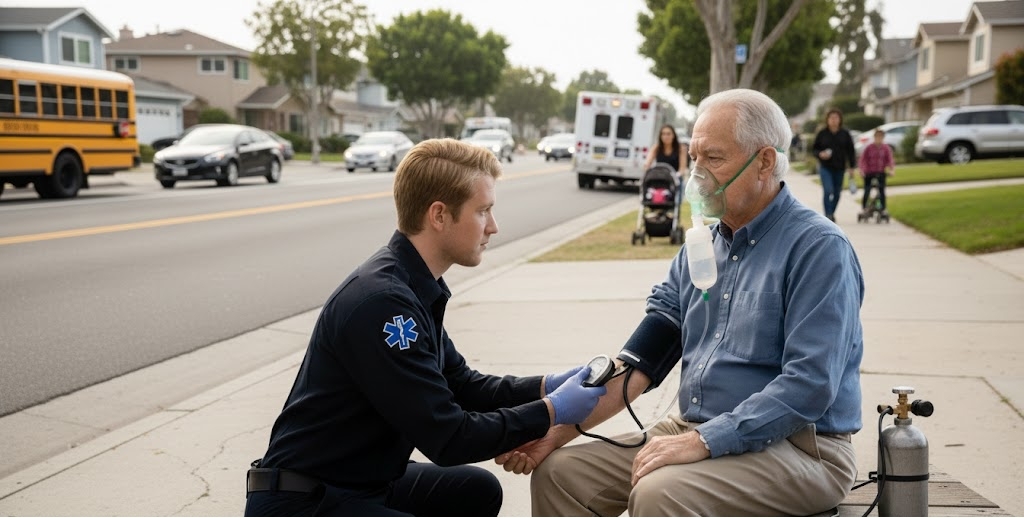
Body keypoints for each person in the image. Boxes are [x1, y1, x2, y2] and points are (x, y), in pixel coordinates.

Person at [497, 89, 865, 516]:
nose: (697, 175)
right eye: (693, 159)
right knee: (561, 473)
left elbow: (809, 387)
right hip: (695, 427)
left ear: (765, 161)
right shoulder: (700, 249)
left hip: (801, 448)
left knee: (660, 492)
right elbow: (640, 363)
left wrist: (704, 441)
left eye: (714, 158)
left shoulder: (818, 250)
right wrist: (557, 432)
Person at [244, 139, 606, 516]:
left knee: (475, 489)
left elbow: (462, 385)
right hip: (307, 501)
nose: (494, 227)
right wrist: (552, 410)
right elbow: (449, 438)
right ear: (439, 215)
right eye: (483, 211)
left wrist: (547, 385)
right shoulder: (383, 304)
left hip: (358, 481)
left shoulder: (412, 286)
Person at [811, 108, 857, 222]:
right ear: (827, 120)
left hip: (840, 168)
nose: (833, 120)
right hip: (825, 167)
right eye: (831, 118)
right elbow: (814, 149)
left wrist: (851, 167)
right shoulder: (822, 133)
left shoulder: (845, 134)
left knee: (837, 193)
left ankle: (831, 212)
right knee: (828, 190)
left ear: (840, 119)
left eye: (836, 118)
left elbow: (851, 151)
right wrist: (820, 154)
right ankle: (828, 215)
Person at [858, 128, 895, 216]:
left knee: (881, 190)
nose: (879, 139)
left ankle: (883, 208)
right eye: (877, 137)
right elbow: (863, 160)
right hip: (869, 172)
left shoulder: (886, 148)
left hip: (880, 172)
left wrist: (891, 170)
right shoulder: (869, 148)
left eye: (881, 137)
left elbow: (889, 160)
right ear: (874, 137)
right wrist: (862, 170)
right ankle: (864, 207)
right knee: (867, 189)